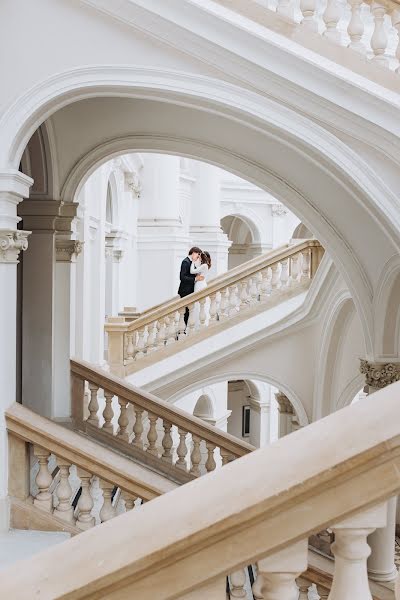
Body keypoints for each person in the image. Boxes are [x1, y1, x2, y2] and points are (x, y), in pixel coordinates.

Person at [178, 247, 203, 326]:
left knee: (188, 312)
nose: (198, 257)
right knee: (185, 312)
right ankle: (182, 330)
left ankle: (184, 329)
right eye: (197, 255)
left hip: (189, 290)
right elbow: (182, 277)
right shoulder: (185, 262)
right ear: (193, 253)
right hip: (185, 291)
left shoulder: (191, 262)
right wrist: (195, 278)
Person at [190, 250, 212, 327]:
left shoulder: (204, 266)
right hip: (200, 283)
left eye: (199, 256)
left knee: (199, 302)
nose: (198, 258)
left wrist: (192, 261)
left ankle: (200, 323)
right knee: (198, 303)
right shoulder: (204, 265)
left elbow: (192, 271)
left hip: (200, 284)